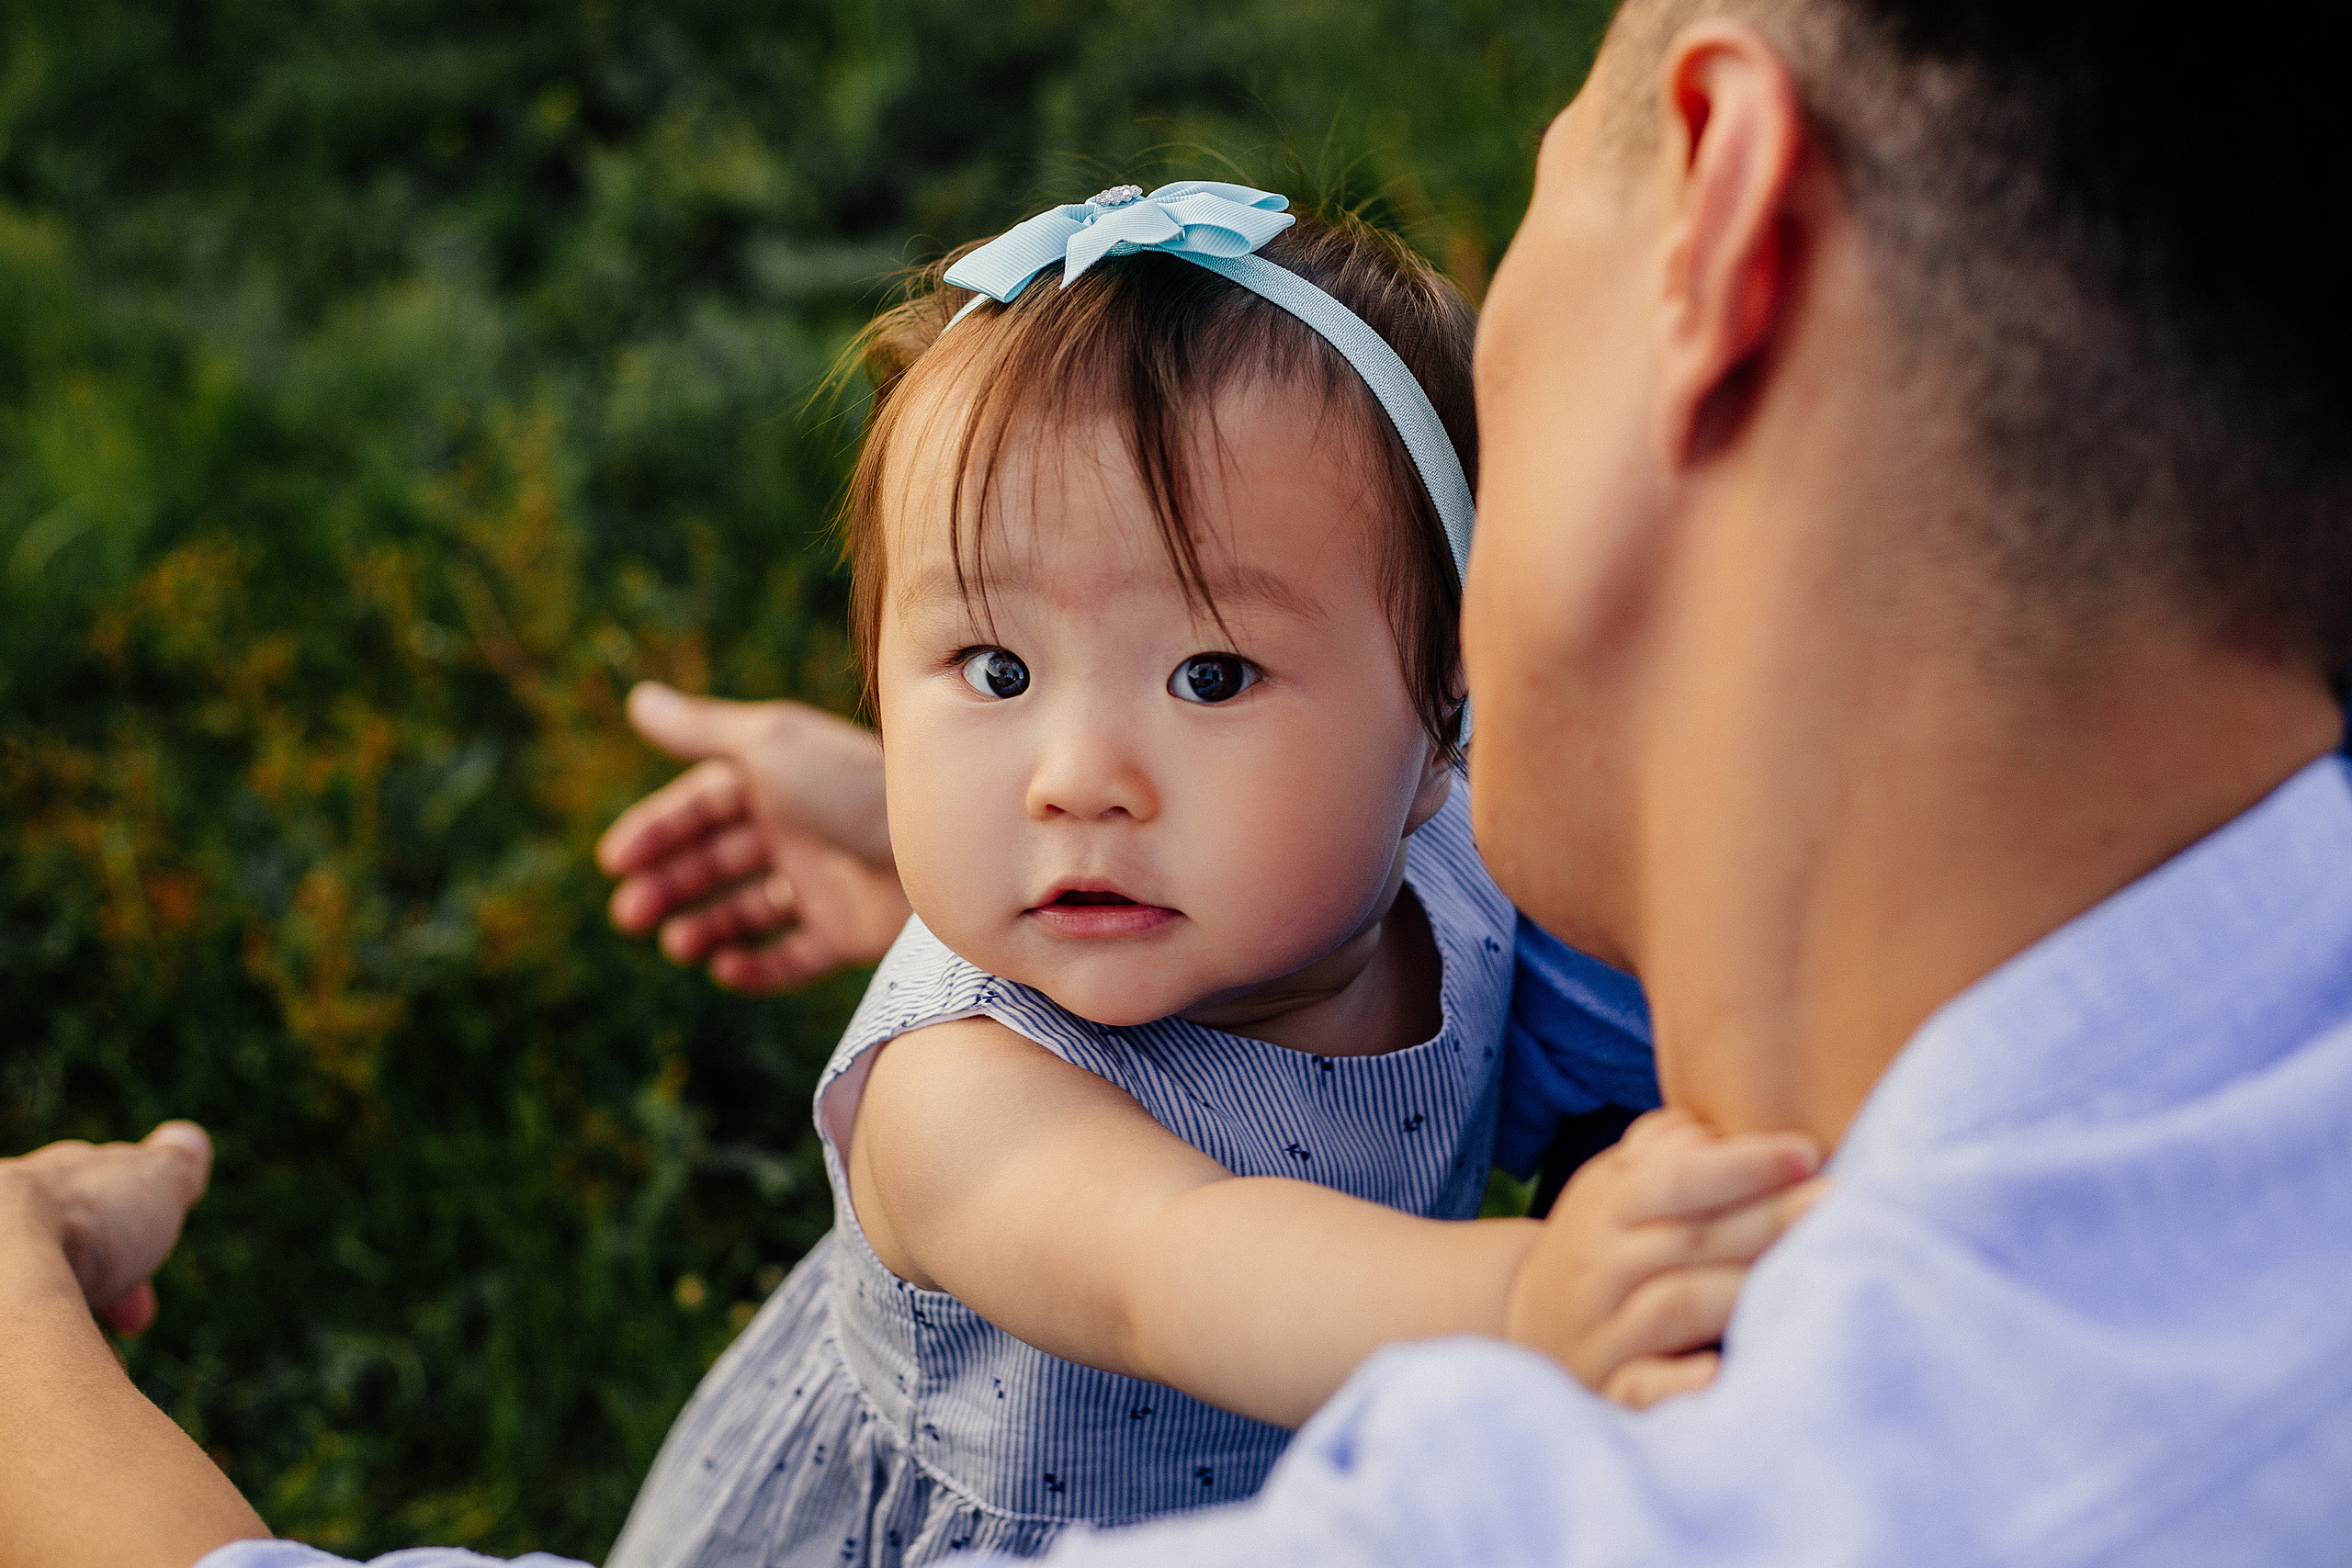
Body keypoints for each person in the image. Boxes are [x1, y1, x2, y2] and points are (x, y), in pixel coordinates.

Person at [6, 0, 2351, 1562]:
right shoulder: (961, 1097)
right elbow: (1171, 1247)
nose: (1084, 775)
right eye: (988, 670)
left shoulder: (1448, 924)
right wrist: (1523, 1297)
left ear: (1714, 232)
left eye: (1215, 666)